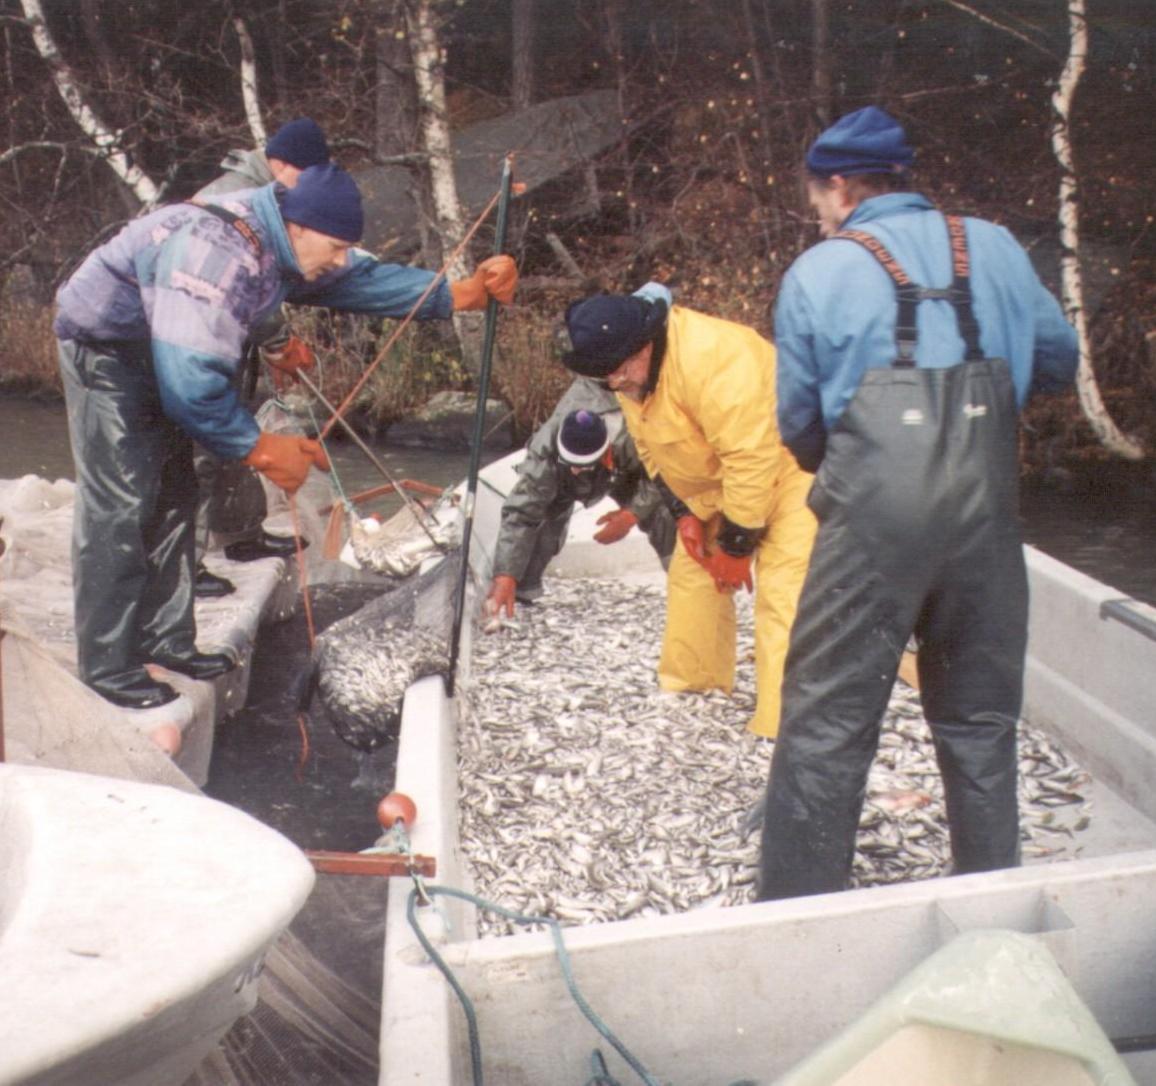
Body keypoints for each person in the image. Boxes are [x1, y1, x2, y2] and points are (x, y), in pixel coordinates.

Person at [757, 106, 1079, 900]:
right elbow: (1057, 360)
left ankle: (800, 912)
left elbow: (798, 421)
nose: (818, 213)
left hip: (872, 528)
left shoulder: (818, 272)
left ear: (839, 186)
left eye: (817, 197)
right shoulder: (997, 244)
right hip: (985, 520)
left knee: (828, 725)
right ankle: (989, 899)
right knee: (979, 721)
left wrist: (853, 471)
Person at [54, 162, 517, 710]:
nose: (340, 259)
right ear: (297, 226)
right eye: (336, 246)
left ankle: (166, 641)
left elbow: (359, 280)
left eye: (348, 246)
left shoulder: (287, 237)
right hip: (107, 349)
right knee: (123, 503)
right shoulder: (215, 251)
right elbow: (189, 381)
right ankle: (108, 665)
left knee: (178, 496)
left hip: (167, 347)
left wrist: (455, 294)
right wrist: (257, 447)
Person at [559, 283, 816, 738]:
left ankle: (786, 730)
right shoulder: (625, 372)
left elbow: (752, 460)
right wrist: (684, 514)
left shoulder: (715, 359)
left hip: (790, 472)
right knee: (692, 575)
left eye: (619, 373)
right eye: (606, 380)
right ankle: (695, 694)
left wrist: (737, 549)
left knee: (783, 599)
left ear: (644, 345)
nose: (615, 385)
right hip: (716, 483)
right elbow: (652, 449)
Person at [192, 117, 333, 599]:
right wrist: (277, 341)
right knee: (196, 451)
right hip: (192, 339)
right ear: (279, 164)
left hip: (229, 338)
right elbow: (242, 284)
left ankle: (241, 534)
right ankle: (181, 569)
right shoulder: (235, 200)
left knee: (238, 428)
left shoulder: (266, 194)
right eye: (304, 177)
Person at [484, 378, 675, 621]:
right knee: (540, 517)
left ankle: (683, 581)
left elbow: (666, 473)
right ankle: (522, 592)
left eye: (581, 466)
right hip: (561, 474)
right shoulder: (546, 453)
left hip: (624, 471)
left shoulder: (632, 436)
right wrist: (505, 575)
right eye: (571, 463)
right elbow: (521, 512)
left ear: (605, 454)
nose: (575, 470)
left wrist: (631, 514)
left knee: (665, 512)